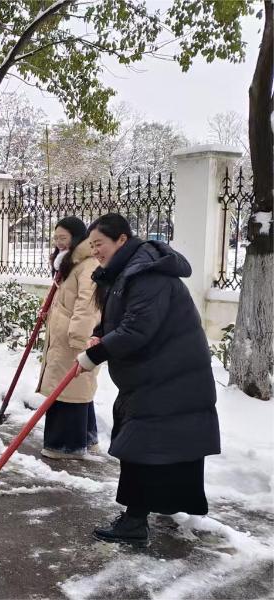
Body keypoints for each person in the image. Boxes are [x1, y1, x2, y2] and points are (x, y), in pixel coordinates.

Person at [75, 213, 220, 547]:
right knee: (166, 441)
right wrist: (100, 335)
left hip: (169, 375)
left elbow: (138, 328)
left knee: (141, 444)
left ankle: (134, 521)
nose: (96, 251)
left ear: (122, 241)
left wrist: (95, 355)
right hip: (160, 373)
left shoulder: (146, 274)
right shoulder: (129, 272)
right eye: (92, 245)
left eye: (100, 244)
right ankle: (169, 503)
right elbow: (122, 318)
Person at [36, 216, 101, 460]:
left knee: (69, 387)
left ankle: (66, 445)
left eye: (64, 238)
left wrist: (78, 336)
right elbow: (63, 294)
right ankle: (86, 437)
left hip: (73, 336)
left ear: (76, 238)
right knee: (71, 386)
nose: (59, 243)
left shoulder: (88, 265)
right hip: (64, 333)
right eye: (56, 238)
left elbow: (88, 304)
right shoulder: (70, 263)